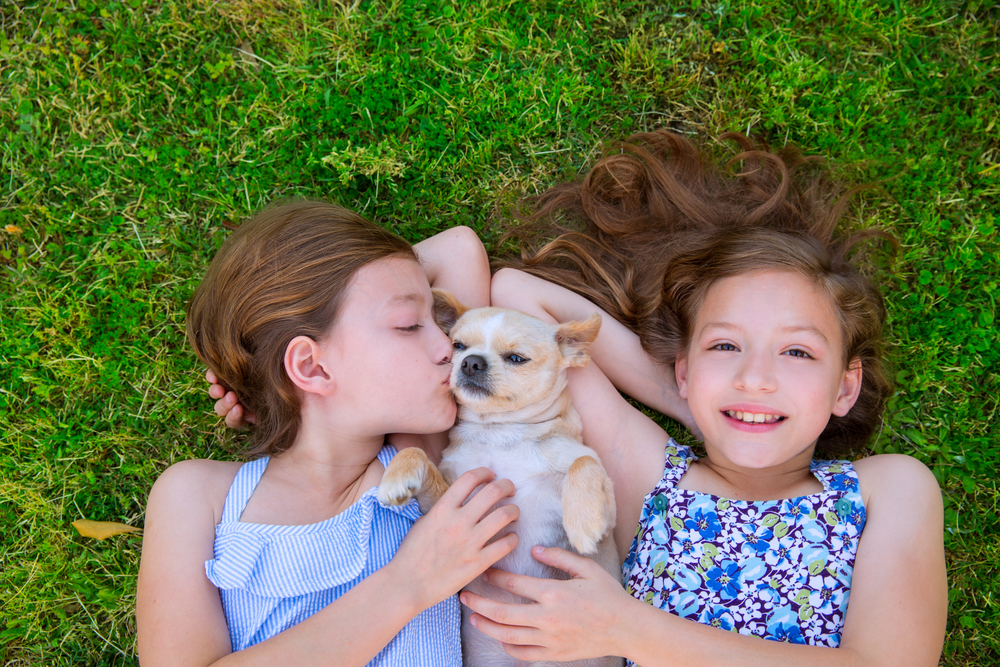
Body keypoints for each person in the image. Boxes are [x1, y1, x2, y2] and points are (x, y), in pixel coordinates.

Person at [473, 131, 947, 665]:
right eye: (725, 345)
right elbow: (518, 293)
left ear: (844, 386)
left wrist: (630, 631)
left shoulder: (889, 488)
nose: (754, 378)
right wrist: (699, 407)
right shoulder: (651, 478)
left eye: (796, 352)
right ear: (684, 370)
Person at [136, 200, 520, 666]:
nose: (449, 347)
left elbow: (458, 249)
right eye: (408, 325)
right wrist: (410, 584)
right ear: (312, 365)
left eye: (436, 321)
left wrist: (261, 367)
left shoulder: (419, 466)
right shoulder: (198, 495)